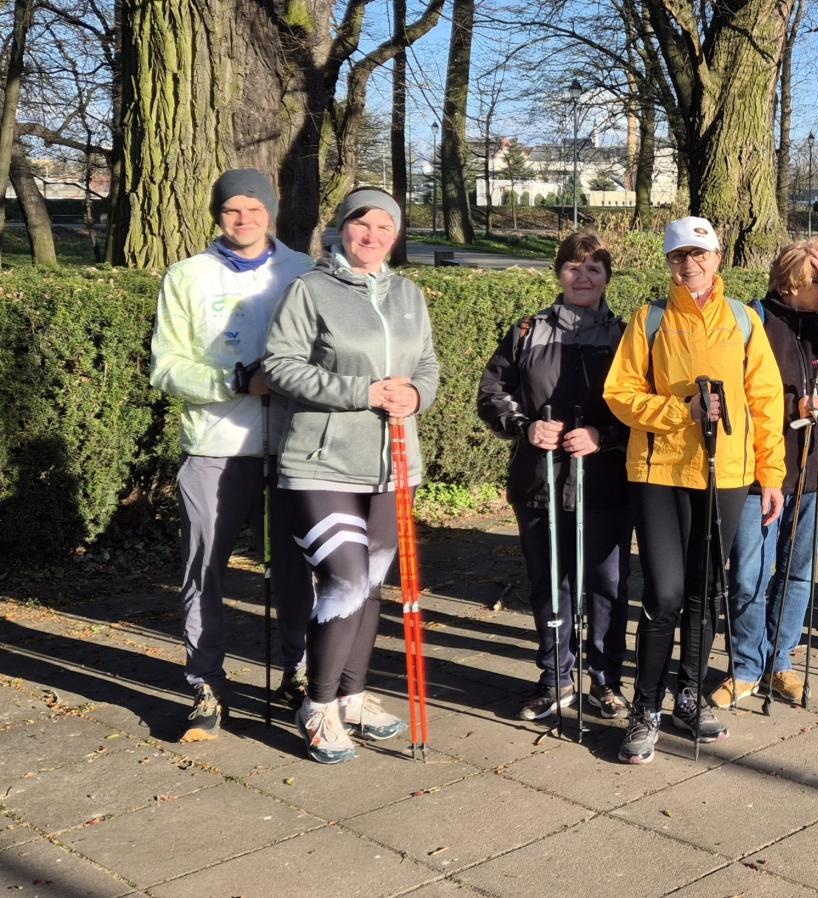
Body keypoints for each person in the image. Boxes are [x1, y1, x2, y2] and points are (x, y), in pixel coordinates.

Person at [264, 187, 440, 763]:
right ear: (341, 228)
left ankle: (352, 696)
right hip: (321, 463)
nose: (372, 236)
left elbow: (427, 365)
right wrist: (362, 392)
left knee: (371, 583)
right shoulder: (310, 289)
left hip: (391, 463)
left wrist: (416, 395)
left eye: (385, 227)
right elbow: (280, 365)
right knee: (344, 579)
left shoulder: (408, 294)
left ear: (396, 236)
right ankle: (316, 706)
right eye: (362, 224)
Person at [602, 216, 785, 764]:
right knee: (665, 595)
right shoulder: (651, 319)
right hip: (659, 473)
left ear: (718, 258)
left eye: (699, 255)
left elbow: (765, 402)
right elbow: (620, 393)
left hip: (725, 473)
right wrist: (682, 411)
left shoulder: (744, 321)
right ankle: (645, 708)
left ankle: (688, 697)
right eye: (680, 256)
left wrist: (771, 475)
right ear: (669, 262)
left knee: (707, 592)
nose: (690, 265)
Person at [149, 169, 315, 742]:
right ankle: (206, 684)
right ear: (218, 215)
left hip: (294, 448)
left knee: (296, 568)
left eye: (254, 209)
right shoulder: (186, 276)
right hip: (215, 446)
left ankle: (298, 672)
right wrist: (237, 380)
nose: (243, 219)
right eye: (231, 210)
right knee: (204, 569)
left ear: (272, 212)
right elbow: (166, 367)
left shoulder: (304, 270)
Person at [712, 238, 818, 708]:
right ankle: (747, 666)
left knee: (798, 572)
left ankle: (780, 661)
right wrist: (792, 409)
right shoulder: (753, 322)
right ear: (795, 283)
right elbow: (737, 396)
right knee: (749, 574)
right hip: (760, 469)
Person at [478, 232, 631, 722]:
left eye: (593, 269)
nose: (582, 277)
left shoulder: (626, 336)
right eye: (573, 267)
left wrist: (604, 435)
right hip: (540, 482)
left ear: (607, 277)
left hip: (605, 484)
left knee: (607, 584)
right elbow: (493, 393)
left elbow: (641, 407)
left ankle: (606, 681)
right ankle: (555, 677)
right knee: (549, 583)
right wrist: (525, 426)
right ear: (558, 273)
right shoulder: (527, 331)